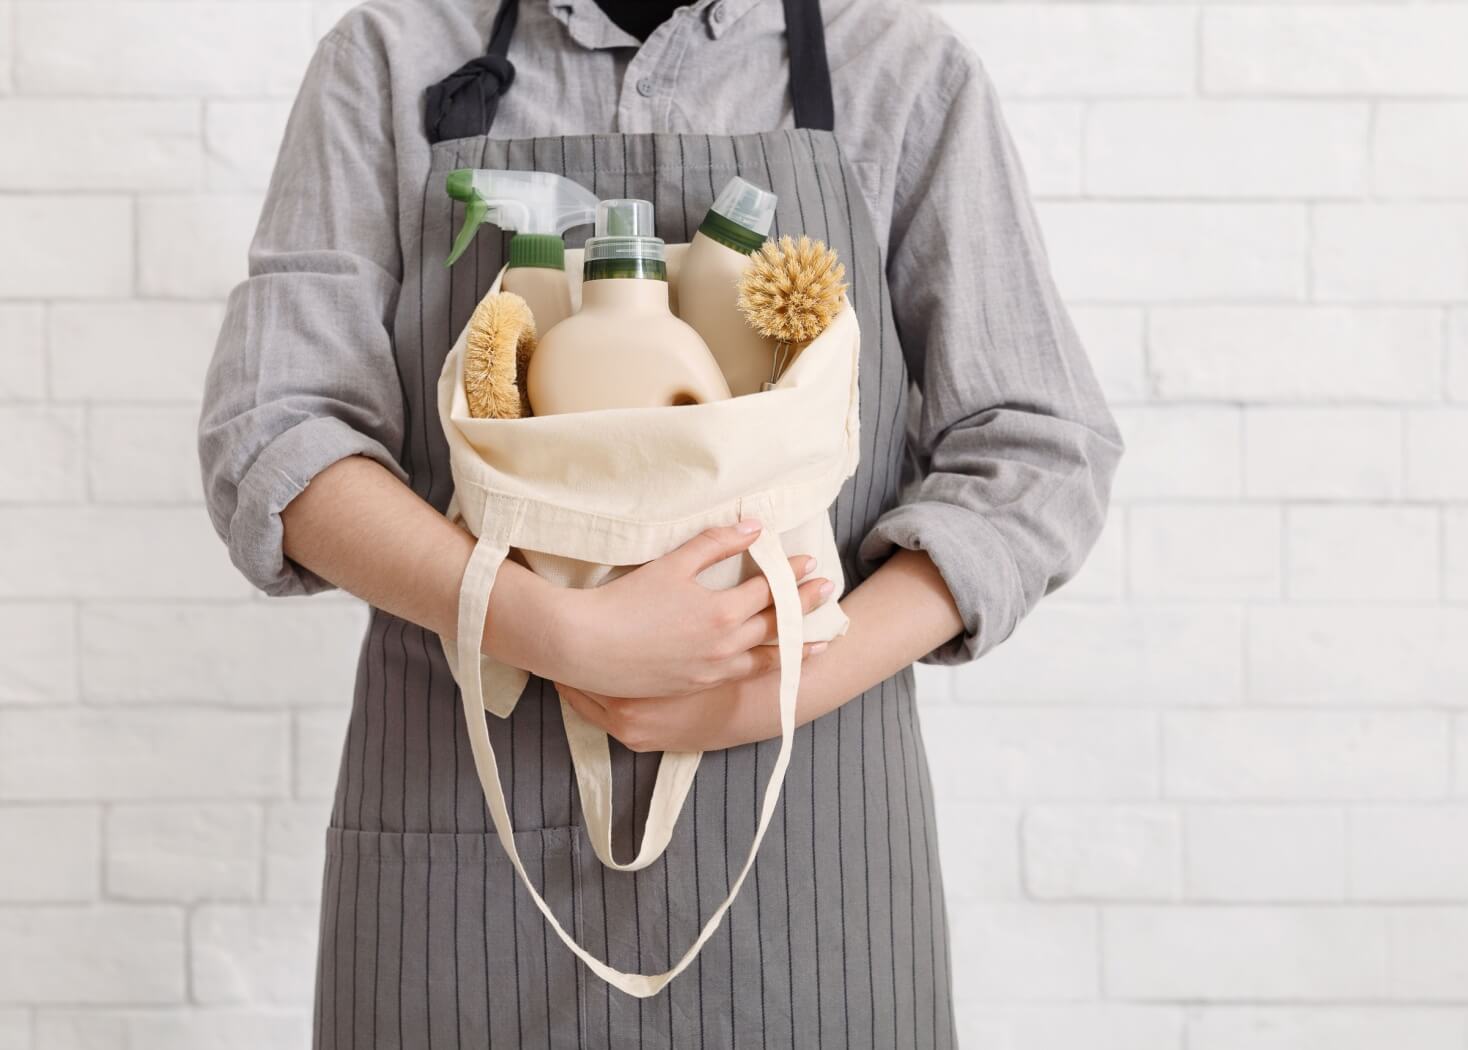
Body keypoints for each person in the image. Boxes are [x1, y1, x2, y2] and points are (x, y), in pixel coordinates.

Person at [198, 0, 1122, 1046]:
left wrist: (779, 688)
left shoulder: (898, 70)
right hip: (466, 820)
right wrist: (559, 632)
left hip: (805, 845)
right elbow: (274, 432)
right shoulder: (389, 56)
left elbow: (1035, 448)